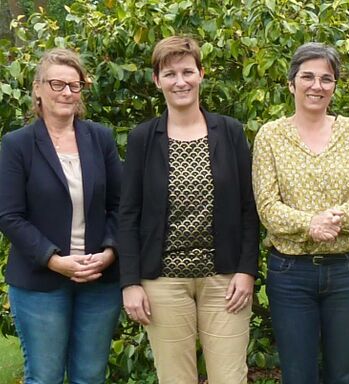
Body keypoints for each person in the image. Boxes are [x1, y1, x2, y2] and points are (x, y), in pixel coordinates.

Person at [119, 36, 259, 384]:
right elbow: (129, 214)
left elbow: (248, 207)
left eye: (187, 71)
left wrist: (246, 270)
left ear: (201, 74)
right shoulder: (142, 139)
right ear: (157, 80)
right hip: (163, 282)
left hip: (224, 280)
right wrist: (130, 283)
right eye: (169, 74)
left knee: (230, 377)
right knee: (175, 378)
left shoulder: (229, 132)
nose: (179, 81)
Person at [252, 42, 349, 384]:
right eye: (307, 77)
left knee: (345, 373)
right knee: (298, 374)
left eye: (326, 78)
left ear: (335, 85)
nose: (317, 86)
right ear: (292, 84)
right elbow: (266, 206)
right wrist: (310, 224)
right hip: (291, 272)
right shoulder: (271, 136)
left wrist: (337, 219)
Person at [0, 48, 122, 383]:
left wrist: (110, 253)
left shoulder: (100, 138)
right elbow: (9, 215)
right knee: (45, 376)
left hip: (99, 281)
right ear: (37, 89)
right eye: (57, 84)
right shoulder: (17, 145)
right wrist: (54, 260)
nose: (67, 92)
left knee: (90, 376)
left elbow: (121, 204)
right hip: (40, 283)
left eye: (74, 85)